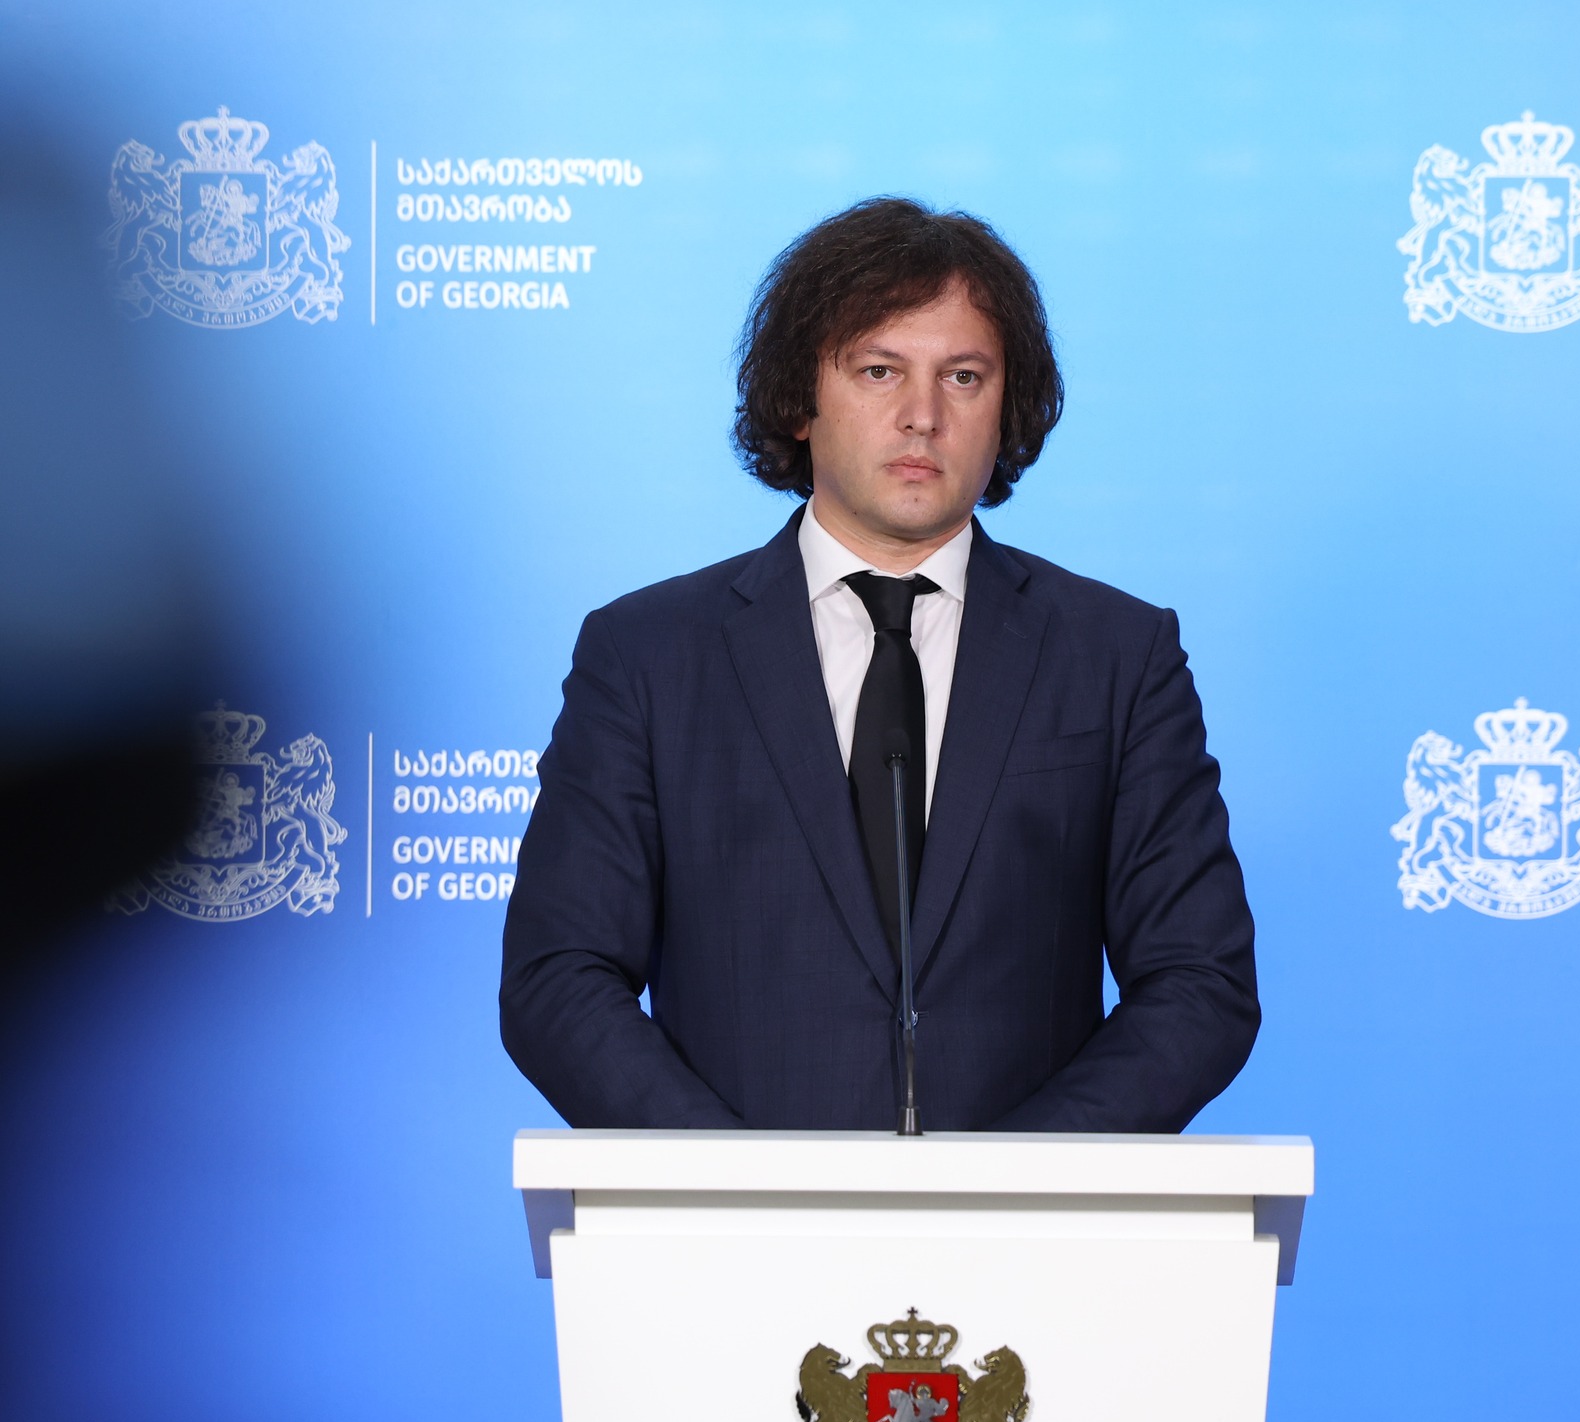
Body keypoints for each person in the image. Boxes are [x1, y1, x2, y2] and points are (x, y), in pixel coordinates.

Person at [500, 197, 1257, 1131]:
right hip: (731, 1218)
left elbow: (1199, 983)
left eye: (964, 377)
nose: (922, 416)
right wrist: (731, 1185)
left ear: (1006, 409)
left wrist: (1017, 1184)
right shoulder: (648, 657)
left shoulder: (1116, 657)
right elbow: (559, 976)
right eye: (879, 370)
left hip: (1027, 1219)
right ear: (799, 399)